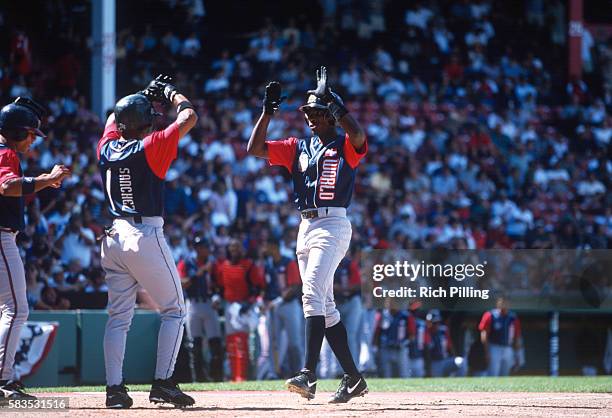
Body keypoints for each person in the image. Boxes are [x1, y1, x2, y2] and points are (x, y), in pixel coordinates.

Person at [247, 66, 368, 403]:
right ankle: (354, 378)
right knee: (325, 306)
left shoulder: (343, 144)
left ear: (330, 115)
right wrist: (267, 113)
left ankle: (308, 374)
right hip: (306, 226)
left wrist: (337, 107)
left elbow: (359, 138)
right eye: (309, 112)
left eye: (318, 111)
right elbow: (254, 148)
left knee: (311, 293)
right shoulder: (298, 146)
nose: (311, 116)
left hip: (333, 224)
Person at [98, 75, 198, 408]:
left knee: (118, 318)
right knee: (175, 311)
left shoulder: (107, 145)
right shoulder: (150, 146)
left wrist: (140, 94)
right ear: (144, 125)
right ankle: (164, 384)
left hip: (113, 236)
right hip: (144, 234)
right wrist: (170, 93)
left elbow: (114, 118)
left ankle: (114, 390)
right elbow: (189, 117)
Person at [0, 97, 71, 399]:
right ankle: (3, 380)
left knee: (9, 309)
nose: (33, 140)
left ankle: (7, 377)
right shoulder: (5, 152)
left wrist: (43, 182)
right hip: (1, 237)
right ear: (16, 132)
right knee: (16, 309)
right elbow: (6, 186)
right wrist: (46, 179)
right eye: (30, 133)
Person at [215, 239, 264, 382]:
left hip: (245, 308)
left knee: (243, 342)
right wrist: (217, 298)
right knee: (231, 342)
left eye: (237, 248)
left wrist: (250, 303)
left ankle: (243, 375)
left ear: (242, 249)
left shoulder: (249, 265)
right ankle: (233, 375)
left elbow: (258, 287)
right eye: (232, 248)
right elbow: (219, 286)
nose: (234, 250)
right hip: (229, 307)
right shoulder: (223, 266)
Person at [177, 236, 223, 382]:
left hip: (209, 303)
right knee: (194, 344)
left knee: (215, 343)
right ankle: (199, 378)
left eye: (206, 247)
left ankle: (216, 378)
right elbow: (182, 283)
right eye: (202, 247)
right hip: (193, 304)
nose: (206, 250)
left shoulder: (213, 264)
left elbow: (218, 284)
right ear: (196, 248)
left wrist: (217, 296)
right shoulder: (187, 262)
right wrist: (200, 272)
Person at [478, 296, 522, 376]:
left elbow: (517, 336)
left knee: (505, 374)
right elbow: (484, 335)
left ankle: (503, 389)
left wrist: (517, 354)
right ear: (498, 303)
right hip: (494, 347)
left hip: (508, 347)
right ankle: (491, 389)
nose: (504, 304)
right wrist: (486, 352)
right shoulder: (490, 315)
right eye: (502, 302)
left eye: (506, 302)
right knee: (493, 373)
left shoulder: (513, 317)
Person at [425, 310, 464, 377]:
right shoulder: (426, 332)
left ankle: (457, 381)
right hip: (434, 363)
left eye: (437, 323)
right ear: (429, 322)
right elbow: (426, 352)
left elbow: (450, 346)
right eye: (434, 323)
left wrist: (453, 356)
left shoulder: (443, 331)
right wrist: (428, 368)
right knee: (436, 381)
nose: (436, 325)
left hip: (445, 360)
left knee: (460, 361)